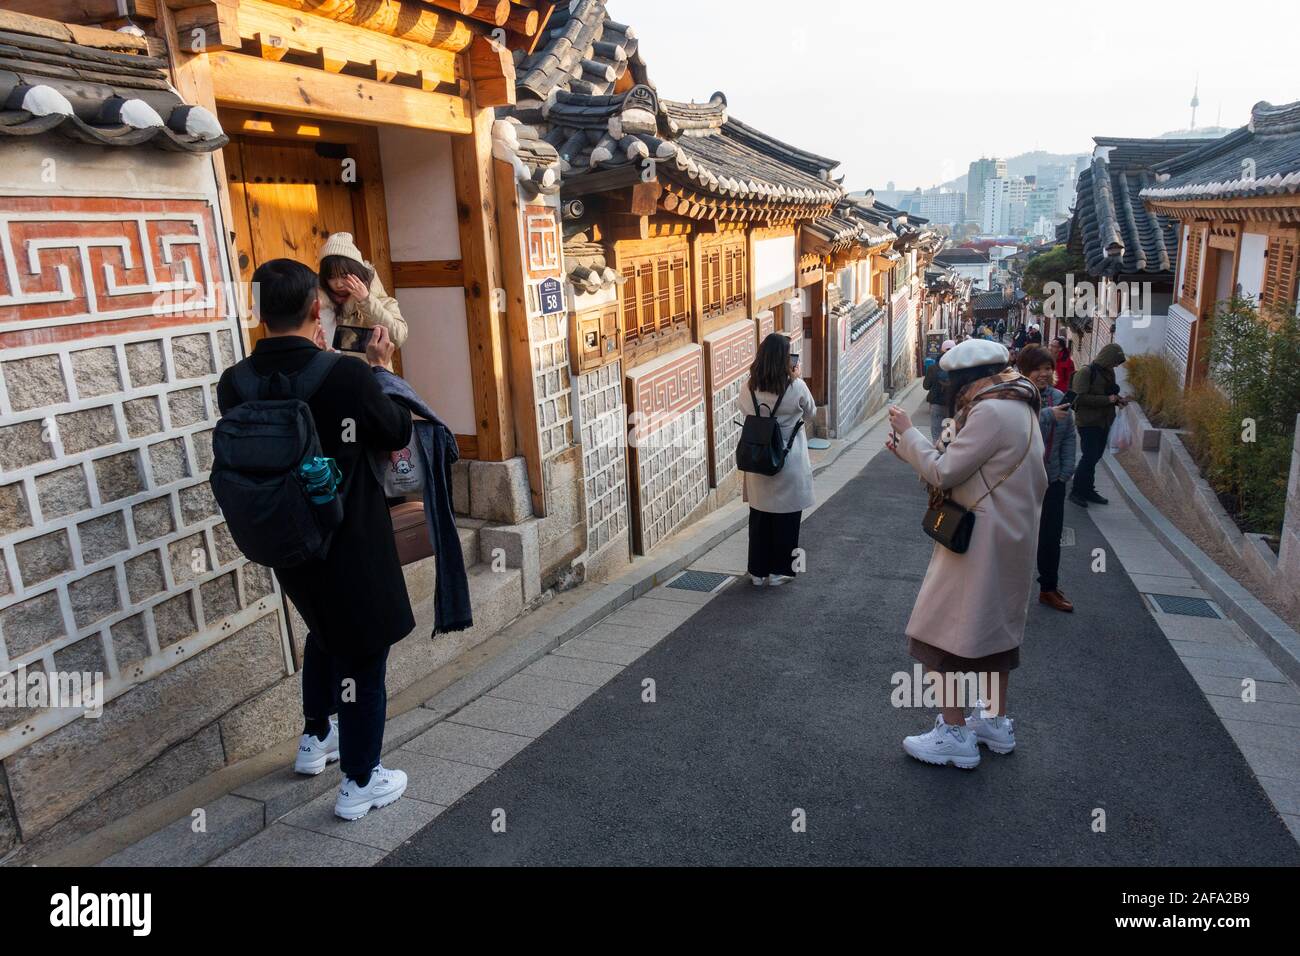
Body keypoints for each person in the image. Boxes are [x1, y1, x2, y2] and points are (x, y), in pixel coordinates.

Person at [217, 258, 416, 822]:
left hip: (286, 538)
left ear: (260, 313)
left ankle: (315, 738)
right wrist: (379, 368)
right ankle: (360, 781)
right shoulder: (344, 374)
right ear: (314, 309)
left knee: (325, 631)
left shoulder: (236, 382)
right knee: (364, 654)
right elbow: (396, 430)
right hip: (351, 536)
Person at [886, 339, 1047, 769]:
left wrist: (908, 434)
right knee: (995, 636)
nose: (953, 393)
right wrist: (913, 452)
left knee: (938, 634)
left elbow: (945, 471)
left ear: (966, 379)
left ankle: (955, 733)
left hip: (978, 543)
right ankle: (994, 724)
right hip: (1013, 538)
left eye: (954, 383)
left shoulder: (989, 412)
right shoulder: (1021, 405)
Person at [739, 334, 817, 588]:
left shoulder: (748, 386)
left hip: (759, 459)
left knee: (759, 519)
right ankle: (780, 571)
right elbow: (811, 412)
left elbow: (745, 410)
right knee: (787, 519)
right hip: (788, 458)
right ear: (786, 360)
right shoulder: (795, 387)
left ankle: (757, 572)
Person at [1018, 346, 1077, 613]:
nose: (1043, 374)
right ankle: (1005, 591)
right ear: (1025, 371)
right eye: (1037, 369)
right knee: (1014, 536)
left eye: (1047, 368)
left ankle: (1048, 589)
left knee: (1051, 537)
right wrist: (1046, 415)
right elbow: (1016, 426)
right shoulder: (1018, 396)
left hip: (1052, 479)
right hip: (1020, 480)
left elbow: (1068, 437)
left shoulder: (1059, 397)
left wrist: (1065, 472)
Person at [317, 232, 408, 353]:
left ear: (358, 273)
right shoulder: (317, 304)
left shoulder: (379, 300)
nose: (338, 284)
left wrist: (366, 301)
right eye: (332, 277)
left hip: (371, 370)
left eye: (344, 276)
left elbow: (397, 337)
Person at [1069, 343, 1128, 508]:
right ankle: (1077, 491)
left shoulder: (1109, 372)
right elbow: (1078, 398)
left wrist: (1118, 400)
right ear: (1108, 358)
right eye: (1115, 361)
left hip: (1104, 421)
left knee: (1095, 457)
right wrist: (1107, 400)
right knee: (1089, 457)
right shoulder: (1086, 372)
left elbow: (1108, 393)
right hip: (1088, 422)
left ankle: (1088, 489)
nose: (1116, 365)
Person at [922, 339, 957, 441]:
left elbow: (926, 386)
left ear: (941, 351)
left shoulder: (933, 368)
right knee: (949, 434)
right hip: (952, 404)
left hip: (936, 403)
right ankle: (948, 453)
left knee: (936, 431)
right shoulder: (958, 368)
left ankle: (937, 453)